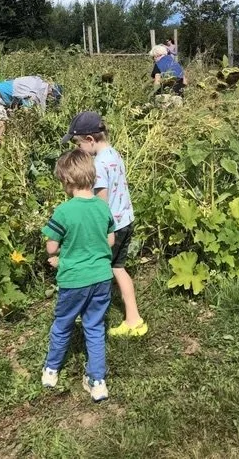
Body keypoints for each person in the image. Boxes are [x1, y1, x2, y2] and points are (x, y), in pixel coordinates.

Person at [62, 111, 148, 338]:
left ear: (90, 140)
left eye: (78, 143)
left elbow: (100, 205)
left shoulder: (98, 166)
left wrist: (93, 230)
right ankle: (133, 318)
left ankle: (88, 313)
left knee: (95, 269)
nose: (78, 148)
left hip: (112, 226)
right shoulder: (113, 154)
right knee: (117, 268)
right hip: (126, 219)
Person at [41, 149, 115, 402]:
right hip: (102, 277)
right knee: (94, 327)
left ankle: (51, 370)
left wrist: (57, 255)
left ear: (67, 181)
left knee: (63, 324)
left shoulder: (64, 212)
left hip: (74, 280)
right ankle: (97, 381)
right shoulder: (103, 208)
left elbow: (52, 246)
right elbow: (111, 239)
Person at [0, 76, 62, 146]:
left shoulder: (38, 82)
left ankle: (7, 145)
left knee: (11, 122)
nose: (49, 99)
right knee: (3, 125)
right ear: (50, 92)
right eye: (50, 97)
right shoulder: (34, 93)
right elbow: (27, 111)